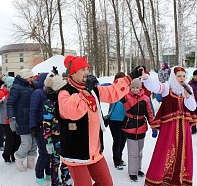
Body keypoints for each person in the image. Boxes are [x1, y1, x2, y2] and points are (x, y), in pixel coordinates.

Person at [55, 55, 142, 186]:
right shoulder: (65, 92)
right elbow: (70, 112)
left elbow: (112, 92)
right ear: (72, 73)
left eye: (87, 69)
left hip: (94, 150)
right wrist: (86, 92)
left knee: (106, 183)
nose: (86, 72)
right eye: (82, 69)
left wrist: (130, 77)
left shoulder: (93, 89)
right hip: (76, 152)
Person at [141, 66, 197, 186]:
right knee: (165, 150)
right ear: (173, 76)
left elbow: (192, 107)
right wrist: (146, 78)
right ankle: (160, 178)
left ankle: (179, 179)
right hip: (169, 127)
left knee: (183, 151)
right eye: (178, 76)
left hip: (184, 126)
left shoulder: (188, 88)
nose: (181, 78)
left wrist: (187, 95)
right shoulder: (167, 87)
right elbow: (156, 87)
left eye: (183, 76)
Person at [42, 74, 73, 186]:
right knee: (55, 161)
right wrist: (48, 140)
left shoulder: (66, 100)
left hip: (67, 135)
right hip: (55, 137)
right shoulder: (49, 104)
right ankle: (55, 182)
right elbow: (46, 123)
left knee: (67, 159)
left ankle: (66, 178)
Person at [121, 79, 153, 182]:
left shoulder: (146, 99)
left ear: (140, 88)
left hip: (141, 127)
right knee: (133, 152)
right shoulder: (126, 97)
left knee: (139, 152)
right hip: (129, 126)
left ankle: (138, 169)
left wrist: (153, 125)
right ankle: (132, 172)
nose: (135, 89)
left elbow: (149, 112)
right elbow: (118, 93)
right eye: (133, 87)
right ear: (130, 88)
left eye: (137, 87)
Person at [7, 69, 37, 171]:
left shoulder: (31, 86)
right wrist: (12, 118)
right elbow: (10, 103)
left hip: (32, 118)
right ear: (25, 77)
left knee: (34, 142)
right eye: (30, 77)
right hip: (21, 119)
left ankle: (30, 162)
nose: (32, 79)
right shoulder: (16, 88)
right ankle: (19, 158)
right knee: (27, 142)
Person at [29, 72, 51, 186]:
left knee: (50, 151)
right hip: (39, 126)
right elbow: (33, 110)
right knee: (44, 152)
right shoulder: (37, 93)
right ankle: (39, 175)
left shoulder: (51, 92)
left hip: (49, 127)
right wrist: (33, 126)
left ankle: (48, 172)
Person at [107, 72, 127, 170]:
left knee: (123, 140)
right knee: (117, 140)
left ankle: (120, 157)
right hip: (114, 119)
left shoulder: (127, 90)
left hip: (125, 119)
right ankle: (116, 160)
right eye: (118, 79)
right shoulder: (112, 89)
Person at [188, 69, 197, 134]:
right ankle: (193, 129)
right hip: (193, 103)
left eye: (196, 76)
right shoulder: (190, 83)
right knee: (193, 116)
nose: (195, 77)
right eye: (194, 76)